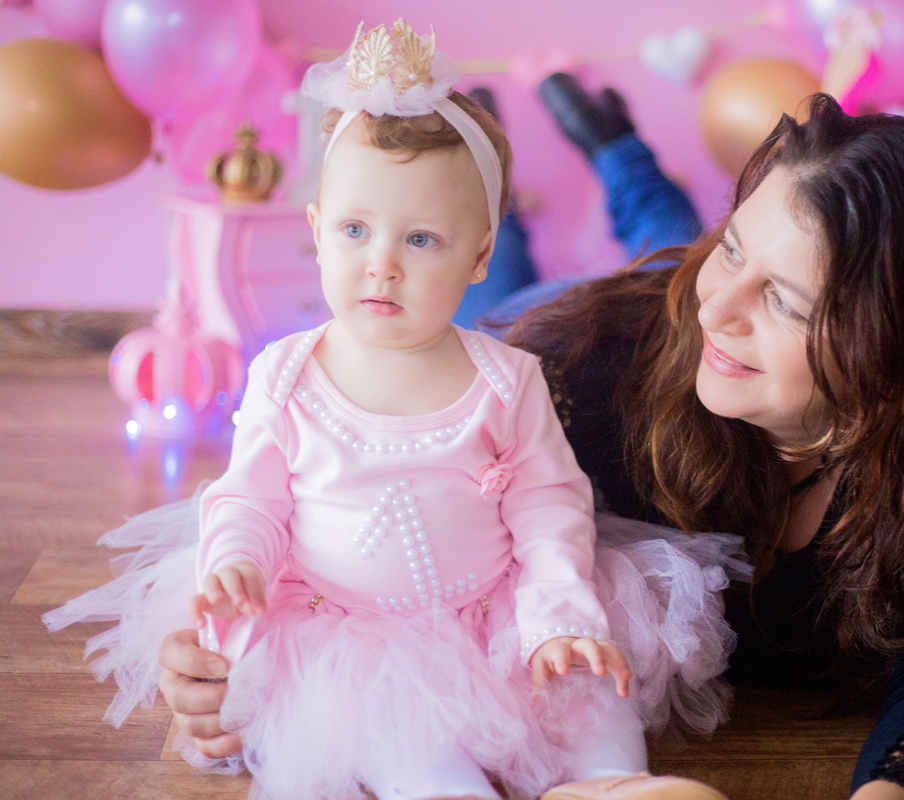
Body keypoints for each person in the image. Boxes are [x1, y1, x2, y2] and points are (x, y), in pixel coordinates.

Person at [153, 79, 904, 800]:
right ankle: (589, 170)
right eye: (737, 245)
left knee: (641, 240)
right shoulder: (578, 376)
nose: (727, 306)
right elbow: (346, 487)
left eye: (785, 298)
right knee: (511, 274)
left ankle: (608, 150)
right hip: (541, 317)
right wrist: (231, 644)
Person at [44, 25, 743, 800]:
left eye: (420, 238)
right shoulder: (287, 375)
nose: (382, 262)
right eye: (354, 230)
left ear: (479, 258)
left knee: (586, 679)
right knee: (398, 738)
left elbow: (550, 507)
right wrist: (238, 562)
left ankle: (610, 782)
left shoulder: (507, 380)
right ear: (316, 233)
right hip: (345, 631)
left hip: (494, 611)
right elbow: (250, 497)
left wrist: (557, 619)